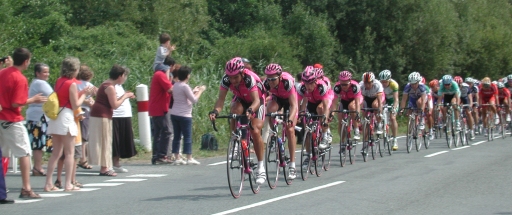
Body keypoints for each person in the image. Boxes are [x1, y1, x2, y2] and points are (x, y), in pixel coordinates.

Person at [209, 57, 267, 185]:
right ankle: (236, 141)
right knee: (234, 111)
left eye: (235, 77)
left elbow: (256, 101)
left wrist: (251, 110)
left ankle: (261, 167)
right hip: (241, 99)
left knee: (255, 129)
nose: (233, 81)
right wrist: (215, 111)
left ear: (242, 72)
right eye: (230, 77)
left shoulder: (249, 78)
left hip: (256, 101)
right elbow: (220, 100)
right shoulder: (226, 79)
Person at [0, 48, 47, 198]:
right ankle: (26, 188)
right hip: (11, 119)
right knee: (25, 152)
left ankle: (2, 187)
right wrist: (33, 100)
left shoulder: (3, 73)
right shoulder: (19, 78)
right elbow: (16, 103)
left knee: (3, 153)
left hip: (1, 116)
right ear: (26, 61)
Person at [45, 57, 92, 192]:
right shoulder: (71, 83)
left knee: (56, 153)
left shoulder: (59, 81)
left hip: (56, 116)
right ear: (75, 70)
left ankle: (48, 183)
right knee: (70, 153)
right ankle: (68, 184)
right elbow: (75, 103)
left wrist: (81, 93)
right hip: (66, 116)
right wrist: (85, 95)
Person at [88, 65, 134, 176]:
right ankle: (105, 168)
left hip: (99, 115)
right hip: (102, 116)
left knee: (105, 141)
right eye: (124, 75)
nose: (124, 78)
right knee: (105, 141)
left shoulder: (105, 84)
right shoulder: (110, 87)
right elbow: (115, 105)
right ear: (120, 76)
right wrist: (125, 96)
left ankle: (106, 166)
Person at [262, 63, 298, 179]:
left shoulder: (287, 82)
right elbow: (260, 101)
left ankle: (292, 165)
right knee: (269, 109)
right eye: (269, 79)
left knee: (290, 129)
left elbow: (294, 105)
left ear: (280, 77)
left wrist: (291, 120)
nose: (271, 82)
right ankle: (274, 134)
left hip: (289, 100)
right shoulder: (266, 83)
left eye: (273, 79)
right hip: (277, 98)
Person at [297, 66, 333, 168]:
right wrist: (300, 114)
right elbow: (301, 102)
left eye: (311, 83)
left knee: (321, 109)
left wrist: (325, 120)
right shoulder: (302, 87)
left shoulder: (322, 86)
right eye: (306, 82)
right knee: (307, 130)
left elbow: (326, 106)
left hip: (322, 101)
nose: (308, 86)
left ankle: (325, 135)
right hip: (311, 102)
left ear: (315, 81)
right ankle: (308, 155)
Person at [170, 66, 206, 165]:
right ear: (187, 75)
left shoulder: (176, 85)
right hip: (184, 114)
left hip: (174, 113)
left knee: (177, 136)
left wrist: (193, 91)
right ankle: (189, 157)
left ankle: (177, 157)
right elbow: (194, 100)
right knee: (187, 136)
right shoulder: (185, 86)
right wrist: (200, 91)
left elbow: (184, 97)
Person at [26, 63, 53, 176]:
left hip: (39, 116)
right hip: (38, 116)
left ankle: (38, 166)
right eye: (44, 72)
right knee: (38, 142)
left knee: (39, 142)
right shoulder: (40, 83)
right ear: (38, 73)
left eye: (48, 72)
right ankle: (37, 167)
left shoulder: (37, 83)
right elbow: (53, 96)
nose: (47, 74)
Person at [149, 57, 175, 164]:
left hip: (156, 107)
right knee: (167, 131)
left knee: (159, 132)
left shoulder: (157, 75)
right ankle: (162, 155)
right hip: (160, 107)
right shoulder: (160, 75)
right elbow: (170, 88)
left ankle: (156, 155)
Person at [331, 71, 362, 149]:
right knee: (340, 121)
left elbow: (357, 103)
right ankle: (343, 141)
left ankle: (356, 129)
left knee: (351, 106)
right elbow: (334, 102)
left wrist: (357, 113)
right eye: (342, 84)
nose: (343, 86)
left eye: (345, 84)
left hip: (355, 100)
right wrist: (331, 114)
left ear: (350, 81)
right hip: (344, 101)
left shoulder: (355, 86)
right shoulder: (337, 87)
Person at [112, 83, 137, 172]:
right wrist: (125, 95)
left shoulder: (118, 86)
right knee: (116, 141)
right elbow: (114, 101)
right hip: (117, 115)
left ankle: (116, 163)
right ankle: (115, 163)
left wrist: (126, 95)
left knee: (121, 140)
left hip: (123, 115)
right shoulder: (112, 86)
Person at [76, 65, 96, 169]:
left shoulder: (75, 84)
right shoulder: (90, 85)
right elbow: (90, 97)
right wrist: (90, 101)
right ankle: (83, 159)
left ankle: (75, 158)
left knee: (75, 136)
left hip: (75, 111)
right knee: (84, 137)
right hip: (85, 111)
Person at [378, 70, 399, 149]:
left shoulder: (394, 84)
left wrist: (394, 108)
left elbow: (396, 99)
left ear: (389, 80)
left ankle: (395, 140)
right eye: (382, 82)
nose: (383, 84)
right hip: (384, 100)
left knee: (393, 118)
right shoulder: (379, 84)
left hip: (393, 101)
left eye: (385, 82)